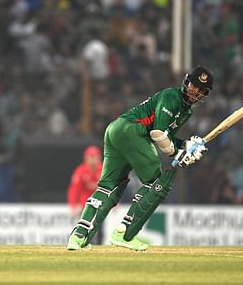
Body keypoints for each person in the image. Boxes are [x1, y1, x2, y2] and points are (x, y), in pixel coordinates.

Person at [67, 65, 213, 251]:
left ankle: (78, 237)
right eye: (193, 85)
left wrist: (186, 145)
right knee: (156, 183)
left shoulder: (187, 111)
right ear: (187, 82)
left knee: (108, 188)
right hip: (133, 131)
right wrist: (177, 154)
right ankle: (124, 233)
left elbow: (166, 137)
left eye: (200, 90)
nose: (195, 91)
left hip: (116, 130)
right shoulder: (171, 96)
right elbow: (158, 133)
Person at [67, 145, 104, 244]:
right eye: (90, 157)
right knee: (84, 227)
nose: (92, 161)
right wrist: (73, 206)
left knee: (100, 229)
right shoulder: (81, 171)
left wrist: (115, 203)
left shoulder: (104, 170)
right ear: (85, 158)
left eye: (94, 157)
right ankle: (82, 242)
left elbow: (113, 186)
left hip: (101, 205)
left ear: (99, 158)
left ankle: (98, 246)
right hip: (85, 206)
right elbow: (74, 190)